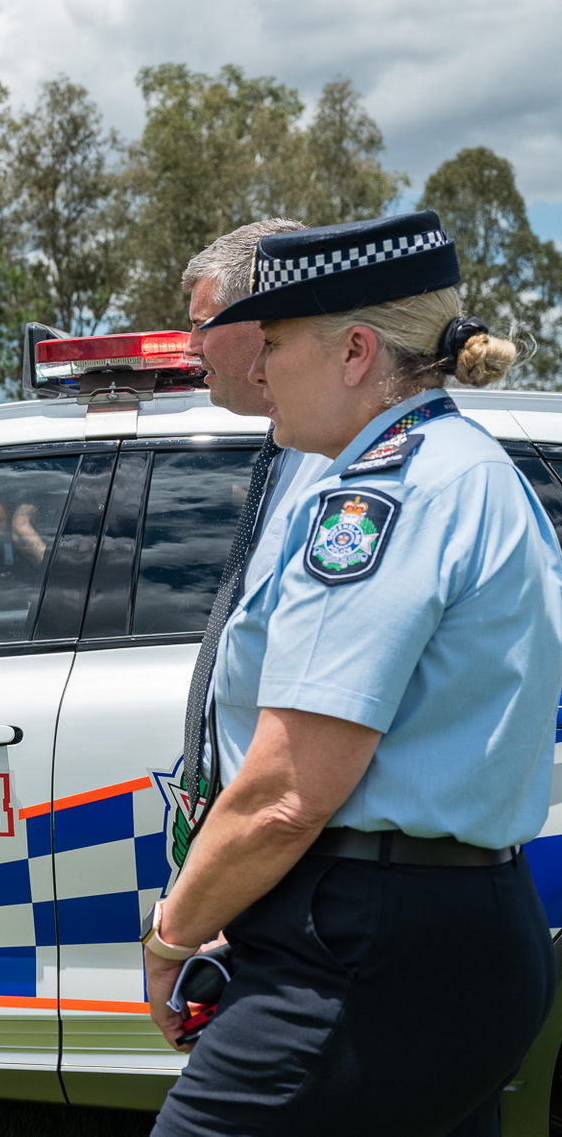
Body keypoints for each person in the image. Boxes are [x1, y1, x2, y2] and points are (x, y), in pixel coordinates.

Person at [144, 211, 562, 1135]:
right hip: (444, 927)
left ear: (355, 352)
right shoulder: (462, 465)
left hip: (361, 953)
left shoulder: (385, 495)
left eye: (279, 342)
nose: (260, 368)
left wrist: (171, 935)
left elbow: (290, 792)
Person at [173, 219, 323, 853]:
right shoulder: (290, 446)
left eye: (202, 326)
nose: (190, 349)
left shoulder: (339, 466)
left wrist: (179, 926)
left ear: (265, 326)